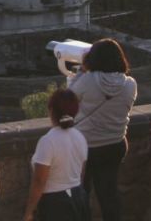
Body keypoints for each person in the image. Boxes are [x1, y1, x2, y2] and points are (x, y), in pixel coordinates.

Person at [67, 38, 138, 221]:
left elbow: (68, 98)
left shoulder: (87, 80)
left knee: (82, 191)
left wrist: (82, 70)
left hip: (86, 145)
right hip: (115, 143)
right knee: (109, 193)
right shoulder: (130, 84)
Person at [22, 88, 89, 221]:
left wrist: (29, 211)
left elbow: (39, 181)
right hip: (78, 197)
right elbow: (81, 173)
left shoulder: (47, 141)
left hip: (55, 203)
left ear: (51, 111)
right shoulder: (80, 137)